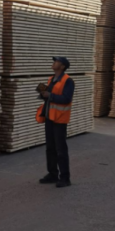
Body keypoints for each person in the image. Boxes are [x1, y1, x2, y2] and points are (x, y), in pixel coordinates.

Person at [35, 57, 75, 188]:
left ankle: (65, 178)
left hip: (59, 119)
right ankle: (52, 174)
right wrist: (43, 94)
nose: (54, 63)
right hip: (49, 118)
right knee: (50, 148)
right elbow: (49, 97)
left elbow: (67, 98)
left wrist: (50, 96)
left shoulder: (68, 81)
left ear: (62, 67)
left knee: (60, 149)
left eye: (56, 61)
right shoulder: (51, 79)